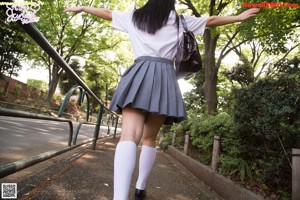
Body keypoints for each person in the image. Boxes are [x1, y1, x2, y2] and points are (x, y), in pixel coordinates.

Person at [64, 2, 259, 200]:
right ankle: (140, 188)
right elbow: (211, 20)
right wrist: (238, 17)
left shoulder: (135, 17)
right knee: (149, 138)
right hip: (165, 79)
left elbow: (107, 13)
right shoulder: (181, 21)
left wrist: (83, 8)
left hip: (139, 75)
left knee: (129, 135)